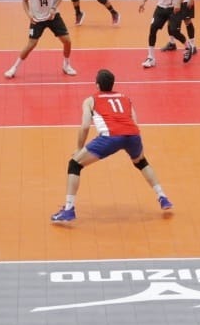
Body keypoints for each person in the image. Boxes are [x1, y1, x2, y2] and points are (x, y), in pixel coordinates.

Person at [50, 69, 173, 222]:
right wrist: (135, 143)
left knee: (74, 164)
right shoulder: (125, 98)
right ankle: (162, 197)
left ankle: (69, 209)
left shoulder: (90, 100)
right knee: (141, 162)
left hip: (110, 137)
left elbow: (85, 126)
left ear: (97, 85)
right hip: (133, 135)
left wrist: (79, 148)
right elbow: (134, 122)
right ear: (112, 84)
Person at [3, 0, 78, 79]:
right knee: (31, 45)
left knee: (67, 41)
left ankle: (66, 65)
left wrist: (53, 8)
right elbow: (24, 0)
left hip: (52, 16)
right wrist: (29, 14)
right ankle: (14, 68)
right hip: (37, 19)